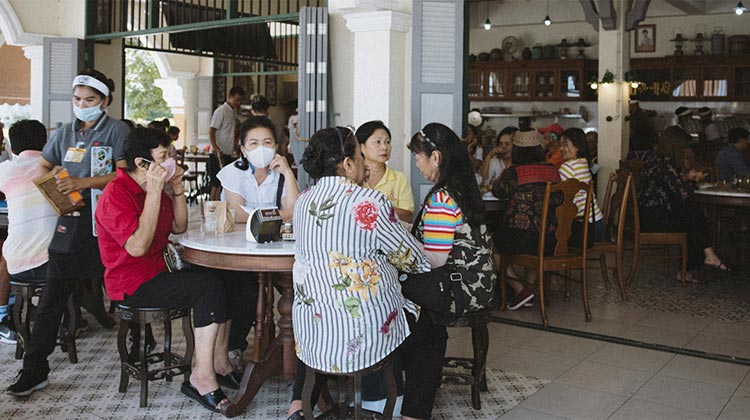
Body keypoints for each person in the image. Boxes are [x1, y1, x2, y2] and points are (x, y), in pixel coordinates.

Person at [287, 127, 434, 420]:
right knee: (425, 325)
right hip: (362, 332)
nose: (364, 164)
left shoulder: (303, 202)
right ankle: (396, 408)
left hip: (313, 331)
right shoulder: (369, 201)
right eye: (358, 156)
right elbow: (411, 258)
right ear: (348, 164)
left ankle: (302, 404)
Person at [95, 127, 237, 413]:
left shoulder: (155, 189)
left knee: (225, 276)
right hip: (132, 283)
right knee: (207, 288)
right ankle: (202, 376)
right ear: (142, 163)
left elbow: (179, 227)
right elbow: (137, 246)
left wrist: (178, 189)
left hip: (159, 272)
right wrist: (155, 193)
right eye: (164, 156)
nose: (170, 160)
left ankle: (218, 361)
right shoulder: (116, 193)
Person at [8, 69, 130, 396]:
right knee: (51, 299)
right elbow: (45, 167)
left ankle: (137, 357)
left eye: (89, 100)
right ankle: (34, 370)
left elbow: (123, 175)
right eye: (77, 99)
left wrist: (83, 183)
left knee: (128, 290)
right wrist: (62, 195)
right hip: (72, 223)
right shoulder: (64, 133)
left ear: (104, 100)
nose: (82, 105)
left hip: (109, 221)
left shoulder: (117, 131)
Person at [216, 116, 299, 364]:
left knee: (294, 288)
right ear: (242, 148)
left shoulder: (282, 175)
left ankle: (296, 349)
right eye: (253, 143)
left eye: (267, 142)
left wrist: (287, 171)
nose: (260, 148)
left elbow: (295, 210)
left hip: (278, 249)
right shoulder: (232, 173)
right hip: (240, 249)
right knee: (246, 290)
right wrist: (276, 215)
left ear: (276, 146)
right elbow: (235, 214)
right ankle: (235, 345)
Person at [639, 126, 730, 283]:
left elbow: (673, 188)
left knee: (692, 213)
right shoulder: (664, 164)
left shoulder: (657, 160)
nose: (685, 151)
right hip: (654, 220)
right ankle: (698, 262)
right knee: (693, 214)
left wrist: (687, 179)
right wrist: (693, 180)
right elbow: (682, 193)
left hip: (650, 215)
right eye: (684, 147)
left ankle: (703, 259)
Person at [0, 120, 57, 345]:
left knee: (5, 251)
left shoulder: (5, 170)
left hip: (17, 265)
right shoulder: (55, 171)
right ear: (45, 143)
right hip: (53, 265)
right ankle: (71, 317)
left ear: (12, 148)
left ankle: (3, 315)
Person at [491, 130, 561, 310]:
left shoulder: (514, 172)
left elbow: (498, 191)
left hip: (521, 237)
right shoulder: (552, 171)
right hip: (551, 238)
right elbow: (560, 199)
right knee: (535, 238)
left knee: (490, 244)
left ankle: (519, 288)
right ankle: (528, 289)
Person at [355, 120, 415, 222]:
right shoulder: (353, 178)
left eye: (387, 142)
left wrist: (372, 208)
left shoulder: (399, 178)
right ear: (362, 147)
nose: (384, 147)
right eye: (378, 142)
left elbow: (407, 216)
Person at [558, 128, 604, 244]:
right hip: (597, 224)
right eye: (560, 145)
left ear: (577, 146)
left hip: (583, 229)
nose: (561, 149)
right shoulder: (583, 162)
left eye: (565, 145)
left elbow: (559, 197)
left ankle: (562, 262)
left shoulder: (567, 167)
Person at [209, 86, 245, 200]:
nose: (238, 102)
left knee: (224, 183)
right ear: (229, 97)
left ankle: (221, 208)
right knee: (215, 183)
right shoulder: (221, 111)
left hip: (228, 152)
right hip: (218, 153)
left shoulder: (233, 112)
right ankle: (212, 207)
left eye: (240, 100)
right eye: (236, 99)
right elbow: (212, 130)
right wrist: (215, 147)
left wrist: (235, 146)